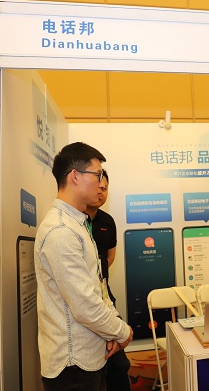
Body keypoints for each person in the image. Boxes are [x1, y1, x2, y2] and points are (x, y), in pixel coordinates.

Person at [35, 142, 133, 391]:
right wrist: (121, 332)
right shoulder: (60, 230)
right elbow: (85, 305)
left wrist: (110, 332)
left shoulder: (77, 224)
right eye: (97, 175)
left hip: (89, 355)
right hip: (72, 365)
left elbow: (98, 286)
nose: (102, 183)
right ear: (75, 176)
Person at [84, 170, 131, 391]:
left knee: (118, 364)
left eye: (105, 188)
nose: (102, 191)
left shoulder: (107, 221)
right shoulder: (74, 223)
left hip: (105, 297)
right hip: (84, 301)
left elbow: (110, 257)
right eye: (98, 186)